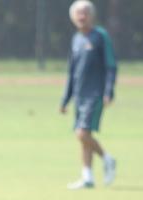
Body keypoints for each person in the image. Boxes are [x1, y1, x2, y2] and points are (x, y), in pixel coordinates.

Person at [60, 0, 117, 189]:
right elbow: (72, 72)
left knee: (82, 133)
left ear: (91, 15)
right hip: (79, 95)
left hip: (95, 94)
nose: (81, 16)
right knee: (84, 136)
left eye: (85, 13)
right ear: (72, 17)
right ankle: (87, 177)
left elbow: (111, 66)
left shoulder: (100, 36)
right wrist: (65, 99)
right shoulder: (76, 39)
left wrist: (108, 91)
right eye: (78, 13)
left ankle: (107, 158)